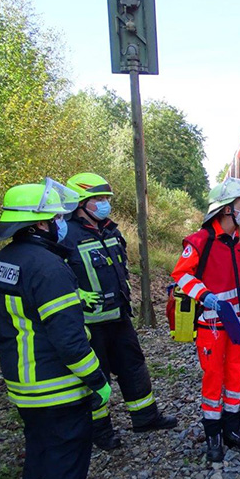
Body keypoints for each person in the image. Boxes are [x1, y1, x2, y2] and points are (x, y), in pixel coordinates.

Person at [0, 179, 110, 479]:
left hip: (23, 384)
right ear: (40, 224)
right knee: (65, 460)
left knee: (39, 455)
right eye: (57, 216)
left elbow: (28, 318)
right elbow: (69, 340)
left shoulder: (3, 261)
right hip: (57, 384)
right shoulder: (49, 266)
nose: (62, 222)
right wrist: (97, 379)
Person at [63, 173, 176, 451]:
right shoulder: (65, 236)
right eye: (98, 199)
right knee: (96, 376)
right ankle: (100, 431)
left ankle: (145, 417)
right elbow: (56, 279)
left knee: (133, 366)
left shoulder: (111, 230)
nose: (104, 205)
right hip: (89, 323)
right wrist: (77, 297)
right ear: (81, 203)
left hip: (119, 316)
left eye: (105, 199)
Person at [171, 178, 240, 463]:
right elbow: (181, 275)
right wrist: (206, 296)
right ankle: (213, 434)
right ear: (226, 210)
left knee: (237, 376)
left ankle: (232, 429)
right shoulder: (201, 240)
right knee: (214, 378)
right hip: (213, 324)